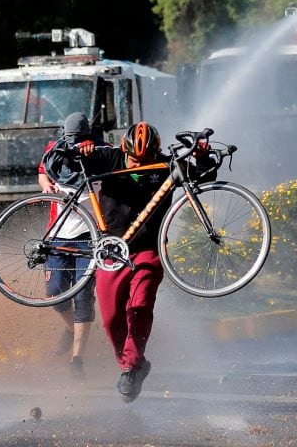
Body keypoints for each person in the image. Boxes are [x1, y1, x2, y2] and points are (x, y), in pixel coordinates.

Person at [73, 121, 215, 402]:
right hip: (112, 252)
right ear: (123, 148)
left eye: (144, 159)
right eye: (133, 159)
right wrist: (82, 149)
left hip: (148, 250)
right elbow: (65, 161)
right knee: (112, 318)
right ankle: (130, 362)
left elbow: (203, 176)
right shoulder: (109, 157)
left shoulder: (166, 164)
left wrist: (200, 156)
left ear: (155, 153)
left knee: (139, 308)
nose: (138, 163)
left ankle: (131, 367)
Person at [38, 112, 107, 379]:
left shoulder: (103, 150)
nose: (75, 142)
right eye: (70, 139)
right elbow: (42, 172)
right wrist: (46, 187)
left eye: (79, 139)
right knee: (54, 294)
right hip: (58, 235)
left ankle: (76, 359)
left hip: (90, 239)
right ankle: (70, 328)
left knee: (83, 299)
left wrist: (93, 151)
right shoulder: (54, 150)